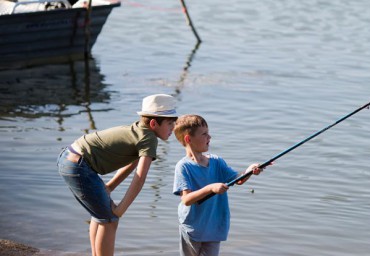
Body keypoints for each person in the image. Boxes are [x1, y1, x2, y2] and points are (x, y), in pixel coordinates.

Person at [57, 94, 178, 256]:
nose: (173, 128)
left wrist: (109, 187)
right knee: (110, 220)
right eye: (170, 123)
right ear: (154, 123)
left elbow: (132, 163)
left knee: (101, 215)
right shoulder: (149, 139)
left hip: (69, 158)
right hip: (79, 165)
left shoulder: (138, 130)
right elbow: (140, 177)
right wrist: (121, 209)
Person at [172, 114, 263, 256]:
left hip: (214, 226)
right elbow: (186, 199)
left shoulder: (216, 161)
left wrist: (249, 171)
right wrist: (211, 188)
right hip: (193, 227)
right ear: (188, 139)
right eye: (204, 134)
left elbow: (238, 179)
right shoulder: (183, 167)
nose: (209, 137)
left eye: (208, 133)